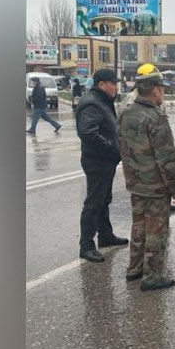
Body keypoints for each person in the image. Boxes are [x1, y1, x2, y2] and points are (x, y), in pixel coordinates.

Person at [118, 64, 175, 291]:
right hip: (155, 186)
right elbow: (167, 159)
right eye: (161, 89)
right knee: (156, 231)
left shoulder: (126, 113)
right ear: (155, 90)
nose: (162, 93)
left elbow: (123, 147)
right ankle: (152, 276)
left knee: (138, 226)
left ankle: (134, 269)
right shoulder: (156, 118)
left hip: (135, 182)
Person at [75, 69, 129, 262]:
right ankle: (86, 245)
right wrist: (111, 149)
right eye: (113, 83)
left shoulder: (102, 101)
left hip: (105, 160)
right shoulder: (92, 103)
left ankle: (105, 235)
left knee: (104, 199)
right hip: (97, 160)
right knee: (94, 202)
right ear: (101, 84)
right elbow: (88, 132)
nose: (116, 86)